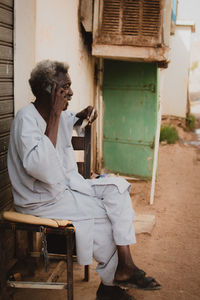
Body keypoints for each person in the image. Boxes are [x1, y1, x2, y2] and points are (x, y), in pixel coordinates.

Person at [7, 60, 161, 300]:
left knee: (117, 190)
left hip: (63, 189)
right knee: (103, 216)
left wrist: (78, 115)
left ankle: (123, 269)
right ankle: (112, 285)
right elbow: (42, 167)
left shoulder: (50, 113)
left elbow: (66, 122)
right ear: (48, 89)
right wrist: (58, 113)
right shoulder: (25, 120)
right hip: (40, 200)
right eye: (64, 87)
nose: (71, 92)